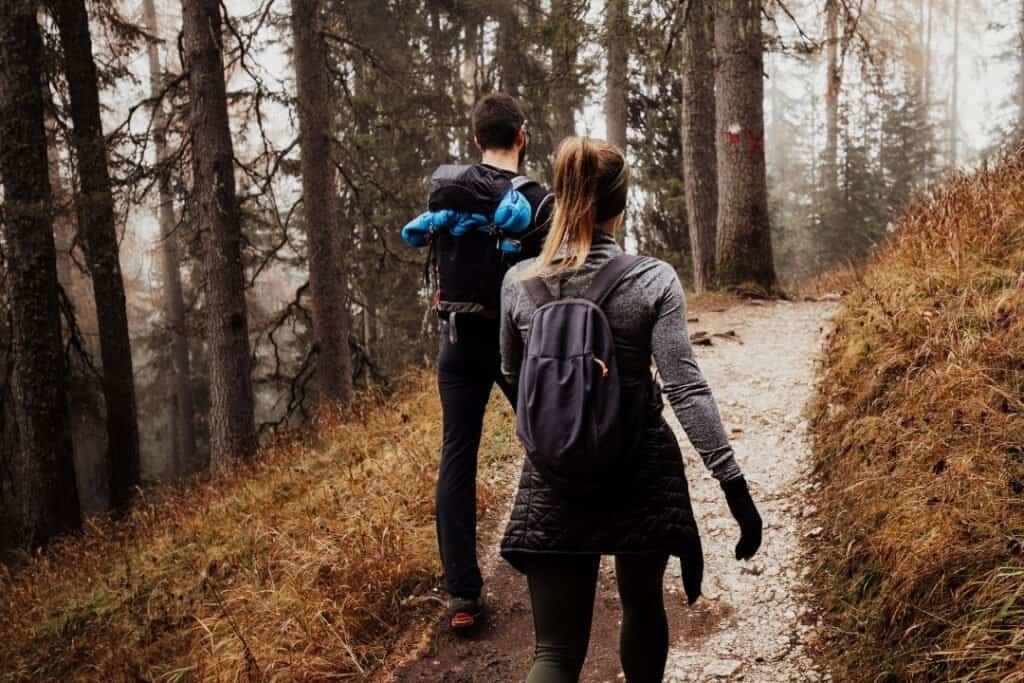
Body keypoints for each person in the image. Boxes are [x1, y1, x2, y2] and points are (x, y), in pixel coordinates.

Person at [499, 136, 763, 682]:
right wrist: (733, 485)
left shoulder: (518, 284)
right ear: (621, 206)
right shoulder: (652, 279)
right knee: (643, 608)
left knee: (554, 651)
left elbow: (512, 371)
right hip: (636, 467)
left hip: (553, 473)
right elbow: (686, 388)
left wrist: (558, 423)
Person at [428, 93, 553, 632]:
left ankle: (462, 596)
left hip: (457, 340)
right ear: (521, 135)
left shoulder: (450, 192)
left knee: (458, 455)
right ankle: (558, 550)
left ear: (477, 139)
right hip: (516, 344)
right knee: (548, 439)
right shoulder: (539, 200)